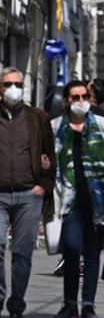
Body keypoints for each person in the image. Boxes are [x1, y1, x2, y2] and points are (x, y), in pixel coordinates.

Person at [50, 80, 104, 318]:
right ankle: (69, 303)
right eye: (76, 97)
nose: (81, 101)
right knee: (73, 250)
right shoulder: (55, 127)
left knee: (92, 255)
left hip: (98, 201)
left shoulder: (103, 125)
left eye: (85, 96)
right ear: (66, 101)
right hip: (69, 201)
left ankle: (88, 305)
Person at [0, 67, 56, 318]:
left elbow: (50, 158)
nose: (13, 89)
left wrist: (42, 186)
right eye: (7, 84)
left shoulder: (38, 118)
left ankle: (16, 304)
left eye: (17, 85)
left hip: (28, 196)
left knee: (22, 253)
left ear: (24, 88)